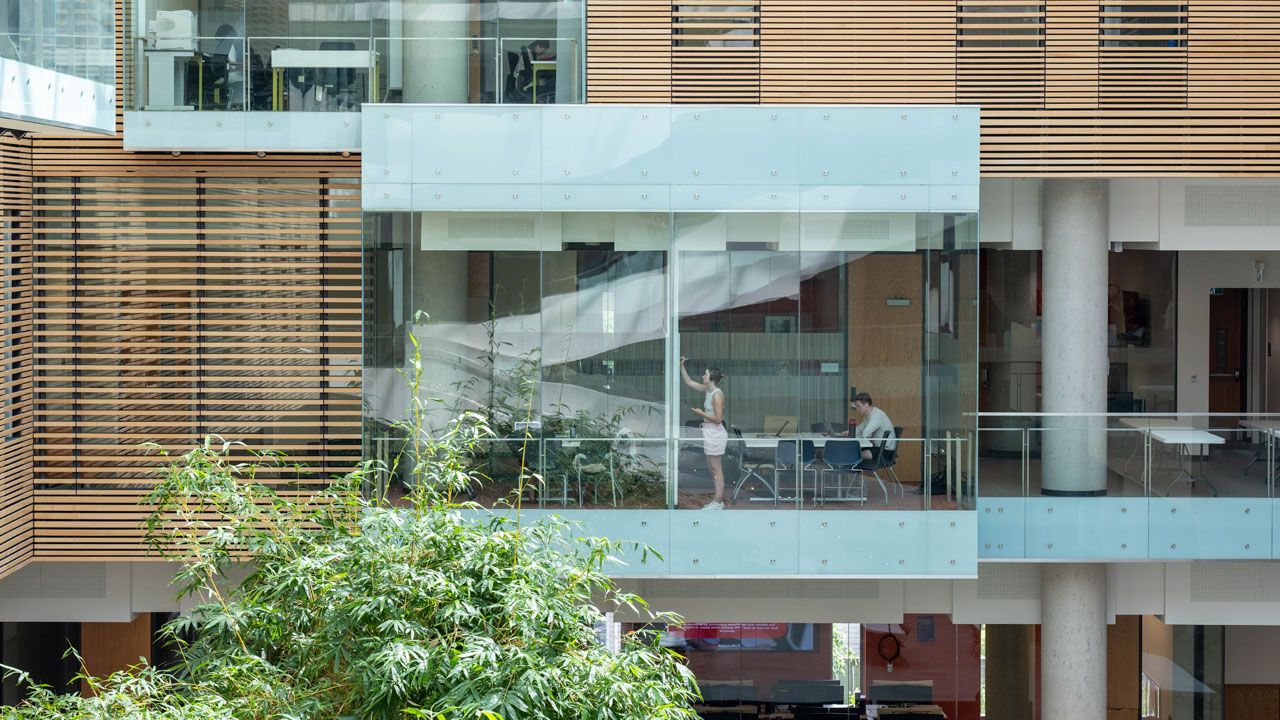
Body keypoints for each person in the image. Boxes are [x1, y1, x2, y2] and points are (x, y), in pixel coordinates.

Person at [680, 356, 727, 510]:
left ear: (712, 377)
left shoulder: (717, 395)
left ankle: (718, 501)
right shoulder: (708, 390)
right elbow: (689, 382)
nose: (703, 376)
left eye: (705, 374)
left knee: (716, 468)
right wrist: (682, 366)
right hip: (709, 432)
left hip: (715, 433)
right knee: (711, 468)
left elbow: (718, 419)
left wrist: (701, 413)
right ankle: (717, 500)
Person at [844, 392, 897, 462]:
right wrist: (850, 432)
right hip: (877, 448)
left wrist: (854, 434)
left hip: (886, 451)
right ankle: (854, 469)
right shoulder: (868, 416)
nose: (857, 409)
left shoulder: (877, 415)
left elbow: (865, 434)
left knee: (854, 455)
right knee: (852, 452)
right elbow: (860, 429)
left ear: (866, 404)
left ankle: (853, 469)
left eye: (858, 406)